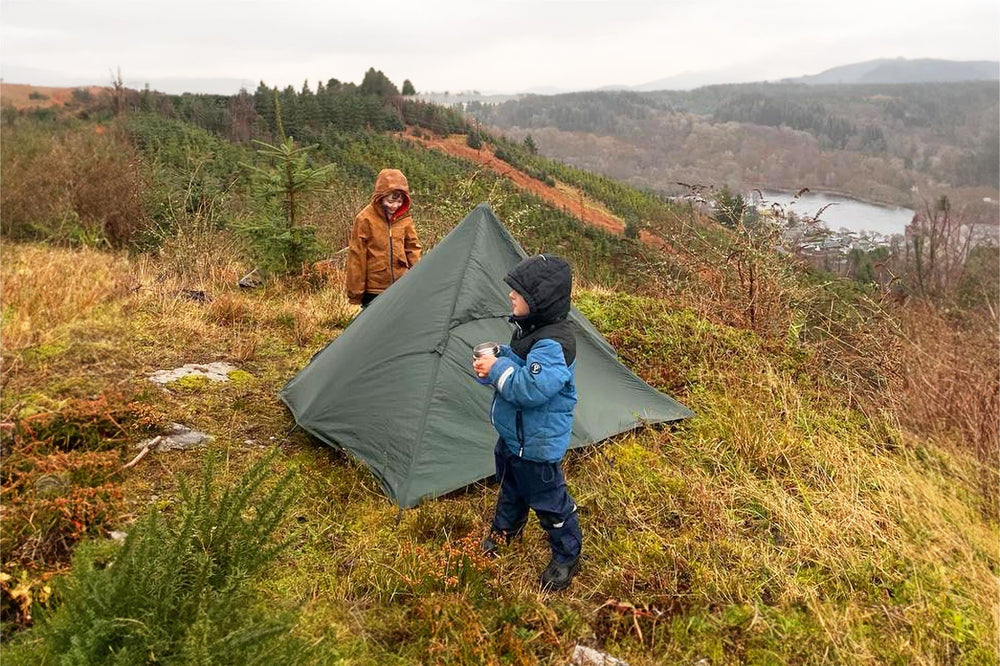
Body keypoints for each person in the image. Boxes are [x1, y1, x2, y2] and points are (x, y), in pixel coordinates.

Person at [472, 253, 582, 591]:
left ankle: (567, 555)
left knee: (550, 504)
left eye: (517, 293)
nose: (510, 296)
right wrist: (498, 359)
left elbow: (531, 389)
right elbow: (518, 366)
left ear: (538, 301)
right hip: (513, 438)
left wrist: (498, 370)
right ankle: (507, 531)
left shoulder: (554, 343)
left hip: (537, 444)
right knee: (511, 489)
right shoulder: (529, 330)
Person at [345, 168, 421, 308]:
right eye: (391, 201)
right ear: (380, 197)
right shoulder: (364, 219)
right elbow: (357, 256)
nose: (395, 206)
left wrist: (419, 279)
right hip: (374, 288)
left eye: (399, 201)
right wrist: (356, 292)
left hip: (400, 284)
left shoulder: (405, 219)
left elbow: (413, 248)